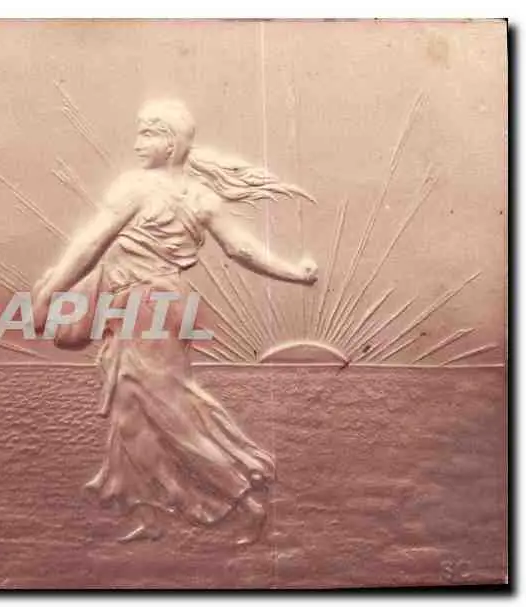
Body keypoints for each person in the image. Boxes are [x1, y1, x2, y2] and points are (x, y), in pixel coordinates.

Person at [32, 99, 318, 543]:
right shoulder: (202, 198)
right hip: (165, 301)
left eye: (147, 133)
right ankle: (151, 515)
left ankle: (241, 496)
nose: (136, 142)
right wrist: (294, 273)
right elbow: (241, 249)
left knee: (164, 410)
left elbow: (91, 243)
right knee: (137, 409)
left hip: (142, 304)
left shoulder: (136, 187)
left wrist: (51, 291)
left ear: (170, 143)